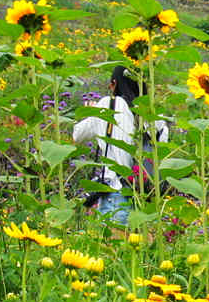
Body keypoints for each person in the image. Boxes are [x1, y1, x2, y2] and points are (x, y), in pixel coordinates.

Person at [70, 66, 168, 227]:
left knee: (113, 248)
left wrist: (91, 111)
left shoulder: (109, 104)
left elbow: (77, 135)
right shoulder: (156, 116)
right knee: (142, 248)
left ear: (114, 84)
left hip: (116, 193)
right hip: (148, 198)